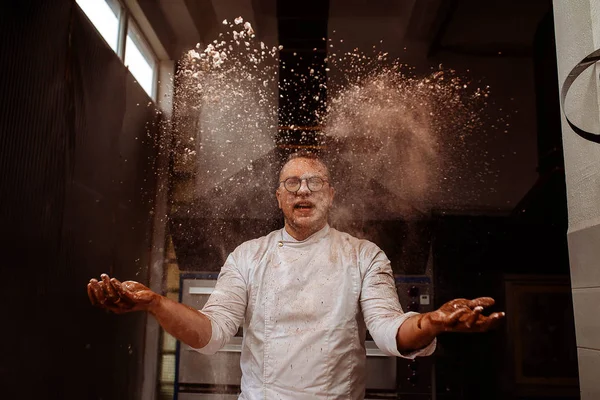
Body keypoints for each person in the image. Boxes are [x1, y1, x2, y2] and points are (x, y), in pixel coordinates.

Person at [88, 150, 504, 399]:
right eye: (291, 184)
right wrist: (157, 303)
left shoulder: (363, 255)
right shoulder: (248, 256)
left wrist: (430, 322)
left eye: (314, 183)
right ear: (279, 198)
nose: (303, 191)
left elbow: (388, 329)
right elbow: (210, 333)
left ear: (330, 195)